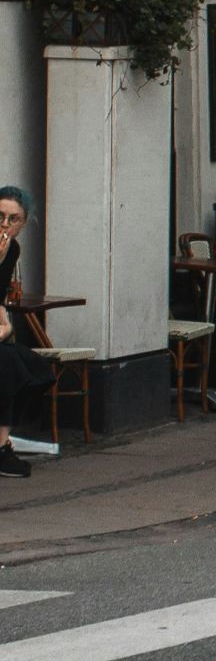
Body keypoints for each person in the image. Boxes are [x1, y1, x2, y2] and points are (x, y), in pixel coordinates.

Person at [0, 186, 54, 479]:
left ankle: (1, 442)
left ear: (23, 222)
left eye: (13, 219)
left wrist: (5, 326)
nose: (5, 225)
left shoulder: (13, 249)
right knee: (8, 364)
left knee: (33, 368)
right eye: (0, 217)